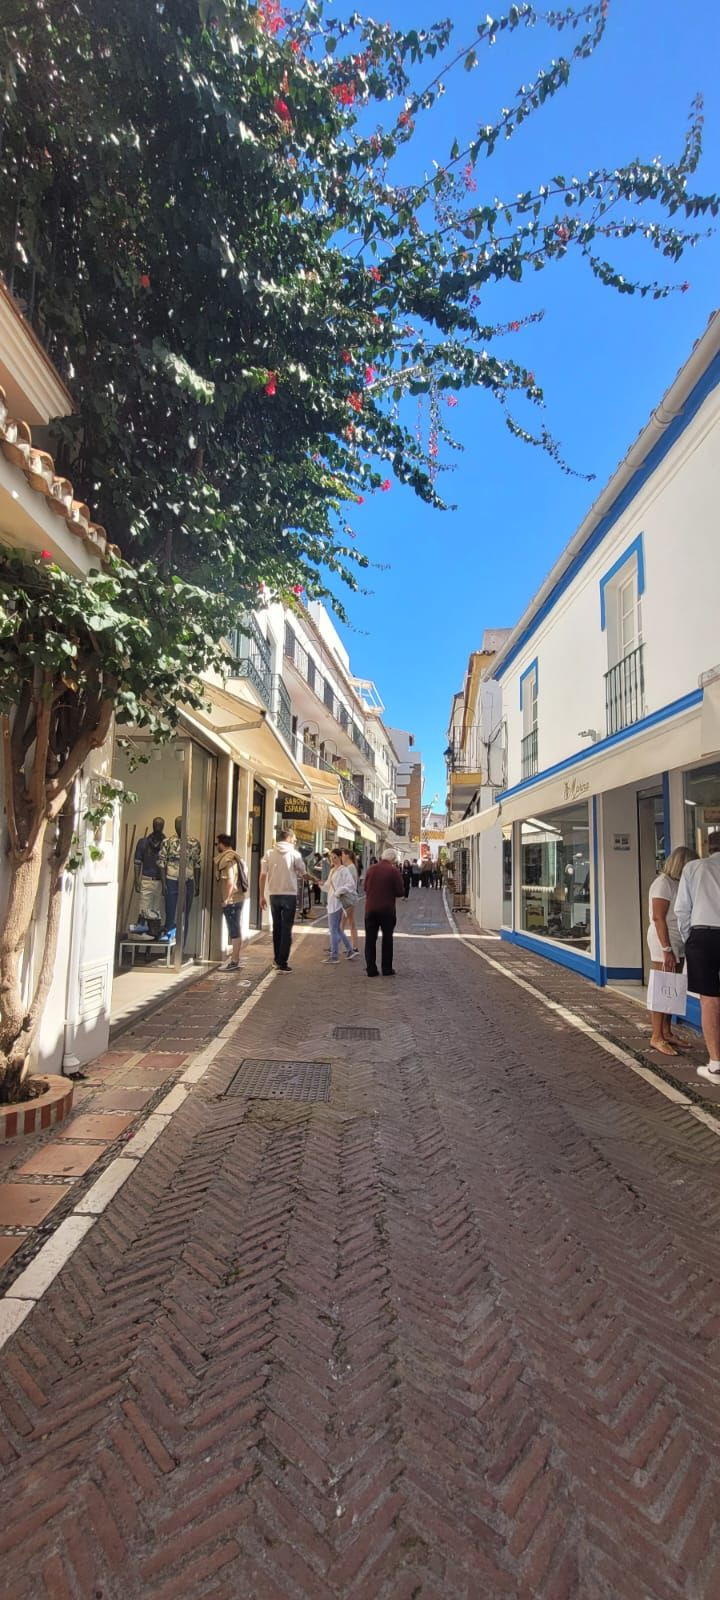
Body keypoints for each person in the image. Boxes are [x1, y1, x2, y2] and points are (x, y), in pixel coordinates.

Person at [675, 833, 720, 1083]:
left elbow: (682, 909)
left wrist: (688, 939)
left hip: (703, 935)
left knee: (709, 1000)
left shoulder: (694, 868)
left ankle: (716, 1065)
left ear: (707, 846)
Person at [646, 845, 696, 1054]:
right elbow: (658, 917)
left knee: (672, 986)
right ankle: (656, 1036)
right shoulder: (663, 883)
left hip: (677, 940)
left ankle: (666, 1032)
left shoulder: (678, 883)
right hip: (664, 941)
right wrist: (666, 948)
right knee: (663, 987)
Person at [260, 828, 305, 972]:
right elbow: (303, 871)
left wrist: (261, 895)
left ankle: (277, 958)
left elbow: (262, 875)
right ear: (289, 838)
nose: (295, 841)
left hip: (274, 895)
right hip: (289, 894)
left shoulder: (269, 853)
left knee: (277, 928)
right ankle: (282, 962)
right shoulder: (294, 854)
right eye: (294, 838)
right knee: (287, 928)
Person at [159, 816, 201, 951]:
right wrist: (164, 884)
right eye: (177, 825)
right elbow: (161, 863)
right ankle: (168, 948)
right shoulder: (167, 842)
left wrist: (197, 884)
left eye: (182, 825)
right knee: (170, 913)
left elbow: (197, 864)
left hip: (188, 880)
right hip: (171, 879)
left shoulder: (194, 843)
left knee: (184, 914)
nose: (179, 827)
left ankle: (181, 947)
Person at [364, 847, 405, 977]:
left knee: (370, 939)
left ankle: (371, 969)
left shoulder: (371, 869)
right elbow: (400, 892)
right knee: (387, 938)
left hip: (371, 908)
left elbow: (365, 887)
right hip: (387, 909)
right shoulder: (393, 871)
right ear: (393, 859)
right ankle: (386, 968)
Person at [214, 832, 248, 970]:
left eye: (217, 844)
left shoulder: (228, 860)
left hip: (233, 900)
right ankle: (235, 959)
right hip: (237, 898)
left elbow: (230, 881)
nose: (217, 846)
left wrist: (226, 899)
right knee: (235, 928)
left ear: (222, 844)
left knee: (234, 929)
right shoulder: (237, 857)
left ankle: (234, 960)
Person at [324, 848, 359, 964]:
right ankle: (350, 950)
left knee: (333, 929)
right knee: (337, 929)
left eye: (334, 857)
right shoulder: (332, 870)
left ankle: (334, 956)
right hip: (331, 902)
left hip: (337, 903)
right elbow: (328, 886)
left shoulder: (344, 870)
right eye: (331, 857)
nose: (332, 859)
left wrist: (339, 891)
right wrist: (321, 884)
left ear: (340, 857)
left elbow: (351, 885)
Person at [134, 817, 165, 926]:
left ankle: (153, 933)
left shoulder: (166, 843)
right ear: (153, 825)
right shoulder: (143, 842)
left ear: (163, 827)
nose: (158, 827)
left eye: (160, 825)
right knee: (143, 911)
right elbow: (137, 862)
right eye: (156, 825)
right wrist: (136, 880)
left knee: (156, 912)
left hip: (159, 881)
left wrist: (165, 884)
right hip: (146, 880)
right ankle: (141, 932)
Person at [341, 846, 360, 953]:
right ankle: (354, 946)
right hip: (351, 898)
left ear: (347, 856)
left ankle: (336, 946)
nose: (341, 857)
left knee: (342, 923)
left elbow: (348, 884)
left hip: (348, 898)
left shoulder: (350, 868)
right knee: (350, 922)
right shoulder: (351, 867)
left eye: (343, 855)